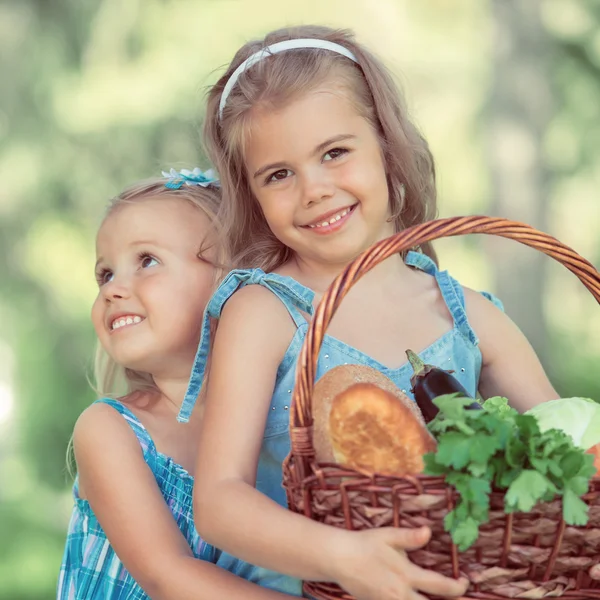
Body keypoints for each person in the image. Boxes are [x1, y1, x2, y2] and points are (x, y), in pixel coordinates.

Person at [185, 25, 558, 600]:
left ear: (385, 145)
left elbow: (567, 449)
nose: (313, 190)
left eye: (334, 153)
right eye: (278, 174)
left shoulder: (466, 313)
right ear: (252, 193)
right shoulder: (264, 312)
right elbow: (218, 503)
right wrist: (341, 556)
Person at [57, 170, 294, 600]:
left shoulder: (276, 427)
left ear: (232, 281)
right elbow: (169, 577)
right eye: (105, 274)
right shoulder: (111, 430)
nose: (113, 290)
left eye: (146, 261)